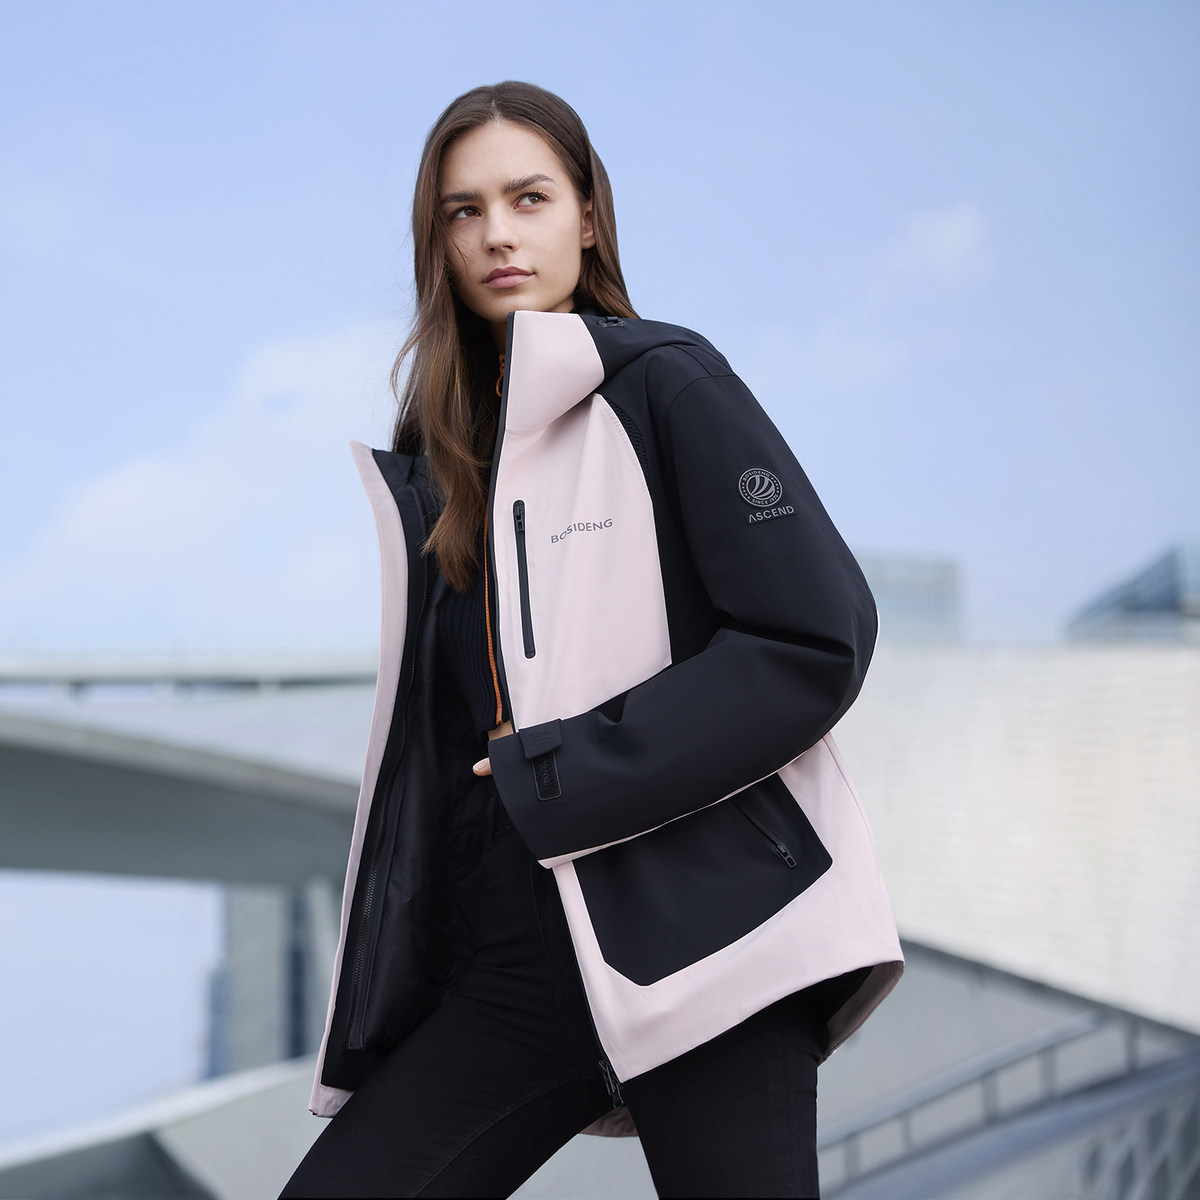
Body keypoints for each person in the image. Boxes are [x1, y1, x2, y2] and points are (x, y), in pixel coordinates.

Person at [280, 80, 903, 1199]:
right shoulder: (443, 467)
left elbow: (816, 635)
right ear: (437, 243)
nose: (498, 234)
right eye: (464, 211)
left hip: (709, 935)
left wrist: (563, 767)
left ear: (588, 218)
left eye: (528, 198)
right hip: (515, 962)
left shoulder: (667, 383)